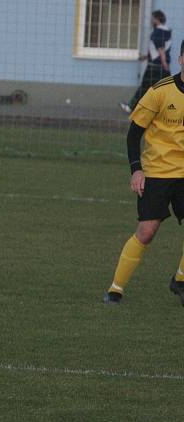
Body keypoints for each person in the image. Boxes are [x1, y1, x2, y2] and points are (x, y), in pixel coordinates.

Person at [104, 40, 184, 306]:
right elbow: (133, 134)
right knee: (147, 231)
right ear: (181, 60)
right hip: (157, 173)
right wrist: (136, 170)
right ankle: (116, 289)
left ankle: (180, 279)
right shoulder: (159, 92)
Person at [121, 10, 172, 113]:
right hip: (162, 66)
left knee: (144, 87)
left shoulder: (157, 31)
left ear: (157, 19)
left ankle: (131, 107)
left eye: (152, 18)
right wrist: (145, 57)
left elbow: (161, 49)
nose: (151, 21)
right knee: (168, 88)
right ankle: (170, 109)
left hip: (155, 66)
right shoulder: (167, 31)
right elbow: (158, 50)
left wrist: (164, 63)